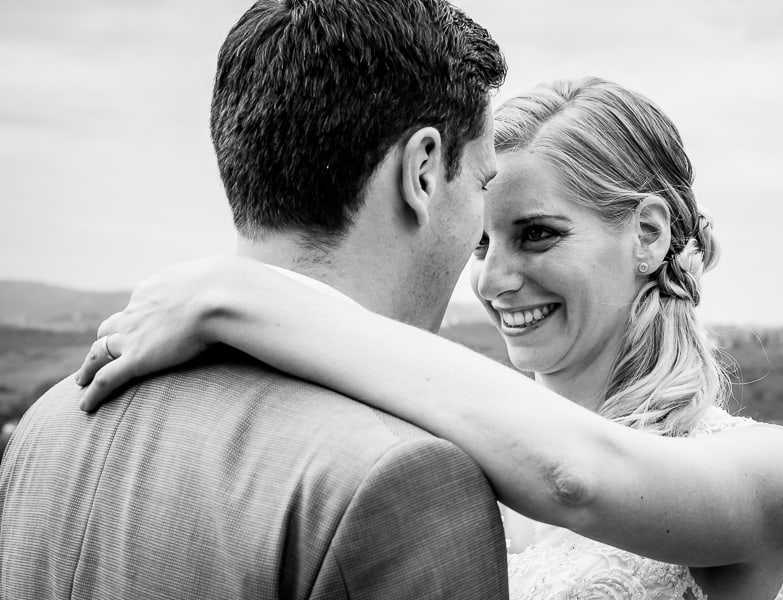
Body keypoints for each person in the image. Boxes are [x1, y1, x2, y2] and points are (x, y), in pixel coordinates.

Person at [74, 78, 783, 599]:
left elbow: (576, 478)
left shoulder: (772, 470)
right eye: (479, 244)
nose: (494, 281)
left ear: (650, 234)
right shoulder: (437, 457)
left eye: (536, 236)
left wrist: (241, 292)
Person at [0, 1, 510, 598]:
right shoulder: (405, 476)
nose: (481, 235)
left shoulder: (52, 421)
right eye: (480, 183)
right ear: (422, 171)